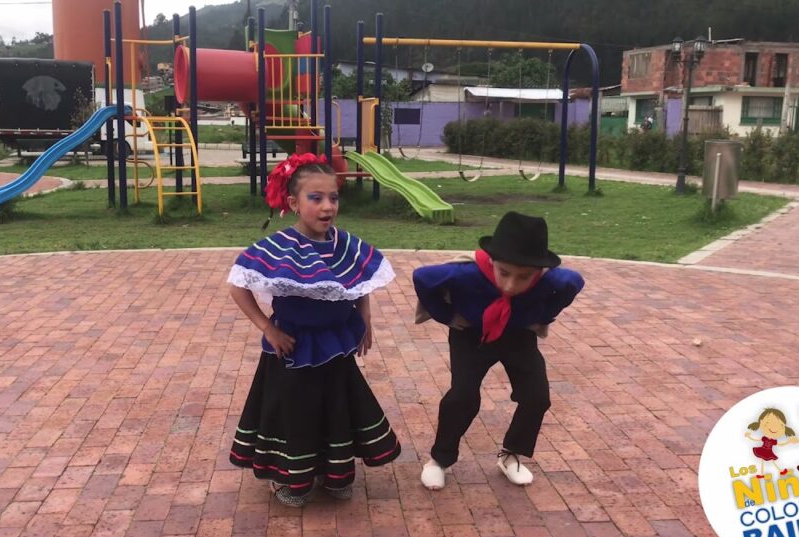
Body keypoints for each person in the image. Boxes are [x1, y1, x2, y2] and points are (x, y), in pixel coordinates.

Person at [226, 153, 401, 507]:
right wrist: (268, 329)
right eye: (315, 198)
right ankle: (289, 475)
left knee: (336, 405)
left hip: (335, 343)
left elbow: (360, 281)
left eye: (333, 197)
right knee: (296, 410)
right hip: (293, 347)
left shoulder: (345, 245)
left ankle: (334, 471)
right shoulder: (278, 248)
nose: (327, 206)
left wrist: (365, 319)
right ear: (293, 203)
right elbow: (237, 285)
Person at [412, 211, 584, 489]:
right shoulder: (466, 274)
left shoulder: (553, 280)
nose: (511, 285)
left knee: (537, 397)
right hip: (471, 335)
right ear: (492, 261)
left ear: (539, 272)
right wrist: (445, 315)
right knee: (463, 397)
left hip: (518, 337)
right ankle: (439, 460)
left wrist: (543, 315)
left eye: (524, 277)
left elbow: (573, 284)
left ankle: (511, 454)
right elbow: (422, 277)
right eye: (504, 273)